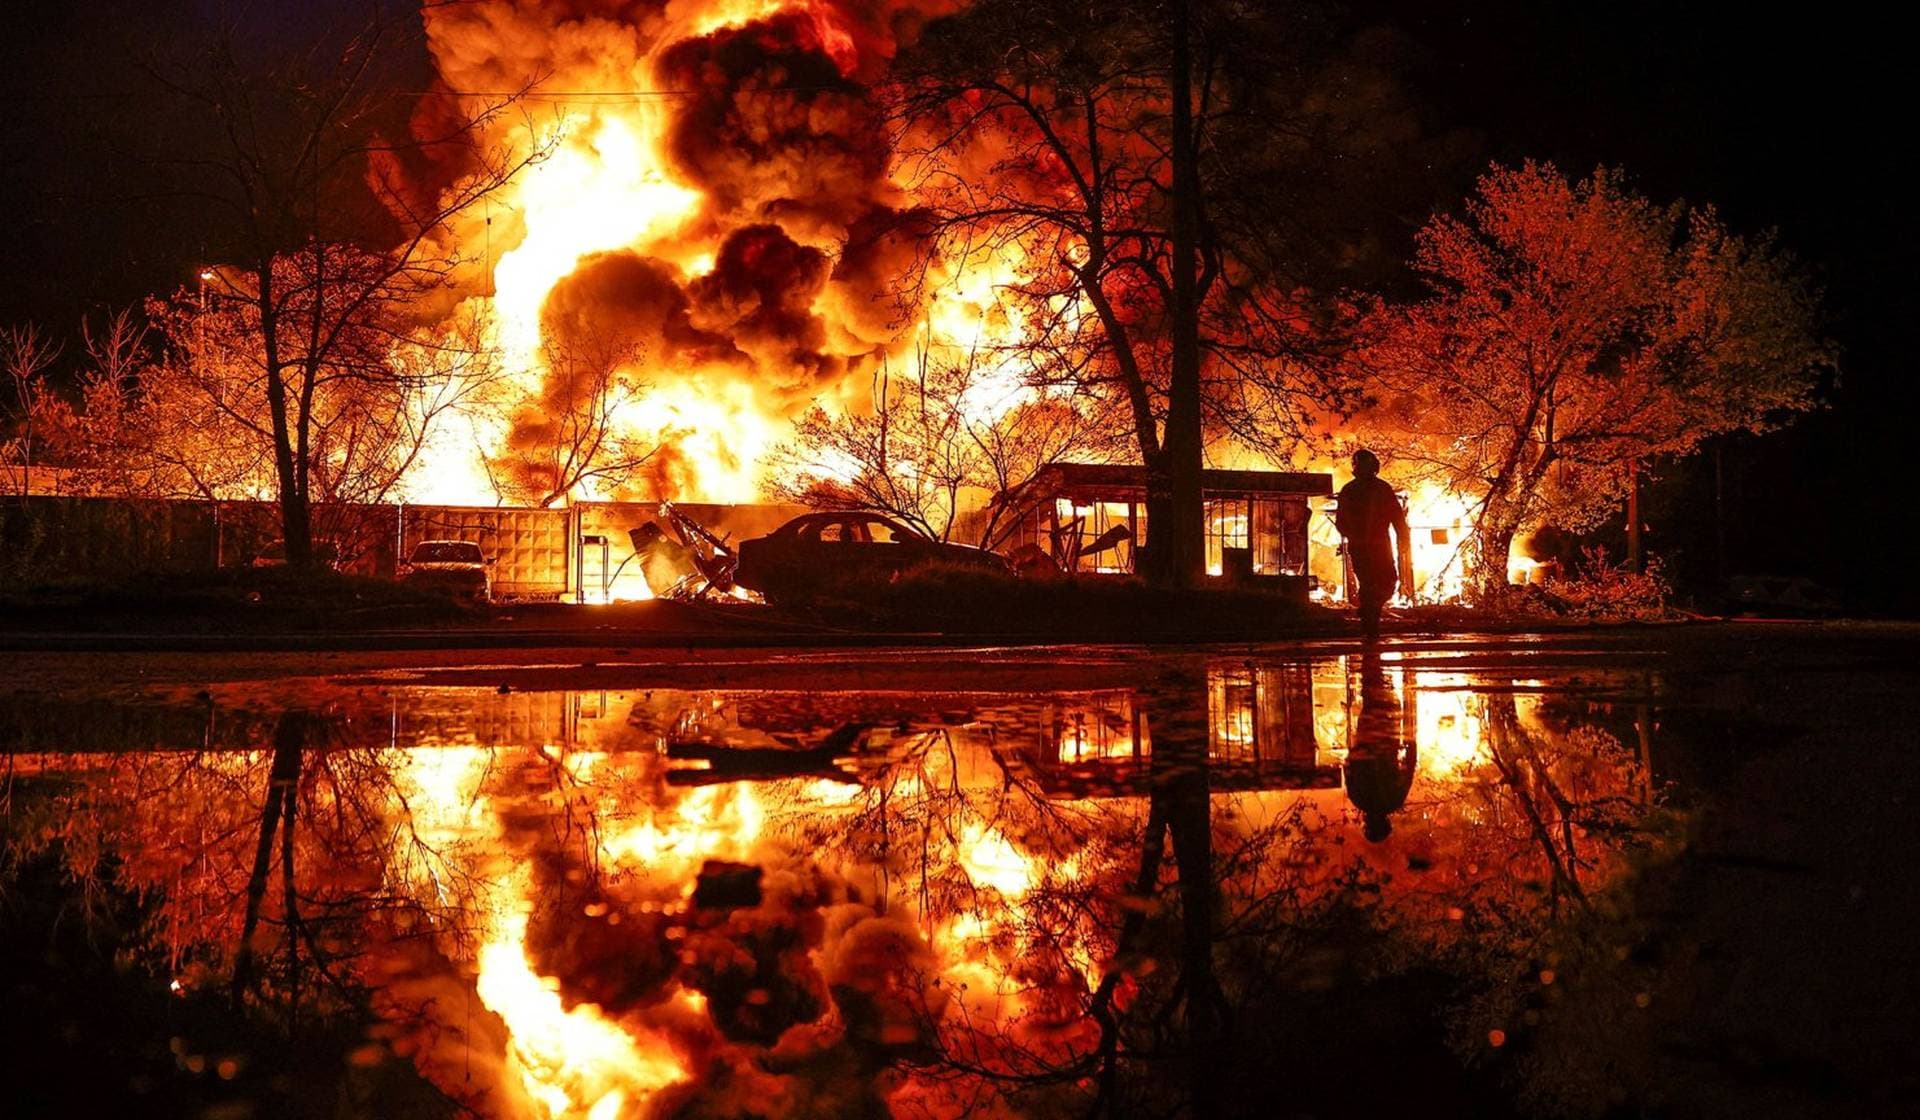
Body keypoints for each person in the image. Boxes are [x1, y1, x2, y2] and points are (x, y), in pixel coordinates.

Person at [1335, 448, 1410, 641]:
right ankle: (1370, 623)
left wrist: (1354, 537)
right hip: (1376, 546)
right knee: (1383, 582)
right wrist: (1403, 539)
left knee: (1373, 584)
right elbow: (1397, 518)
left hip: (1367, 546)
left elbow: (1340, 523)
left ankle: (1369, 615)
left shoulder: (1350, 490)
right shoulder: (1380, 489)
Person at [1344, 650, 1418, 843]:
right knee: (1371, 699)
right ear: (1368, 824)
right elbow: (1348, 768)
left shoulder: (1394, 800)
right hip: (1366, 740)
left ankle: (1375, 654)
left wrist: (1410, 743)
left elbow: (1409, 768)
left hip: (1388, 743)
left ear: (1386, 823)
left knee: (1386, 700)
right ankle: (1371, 656)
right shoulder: (1358, 799)